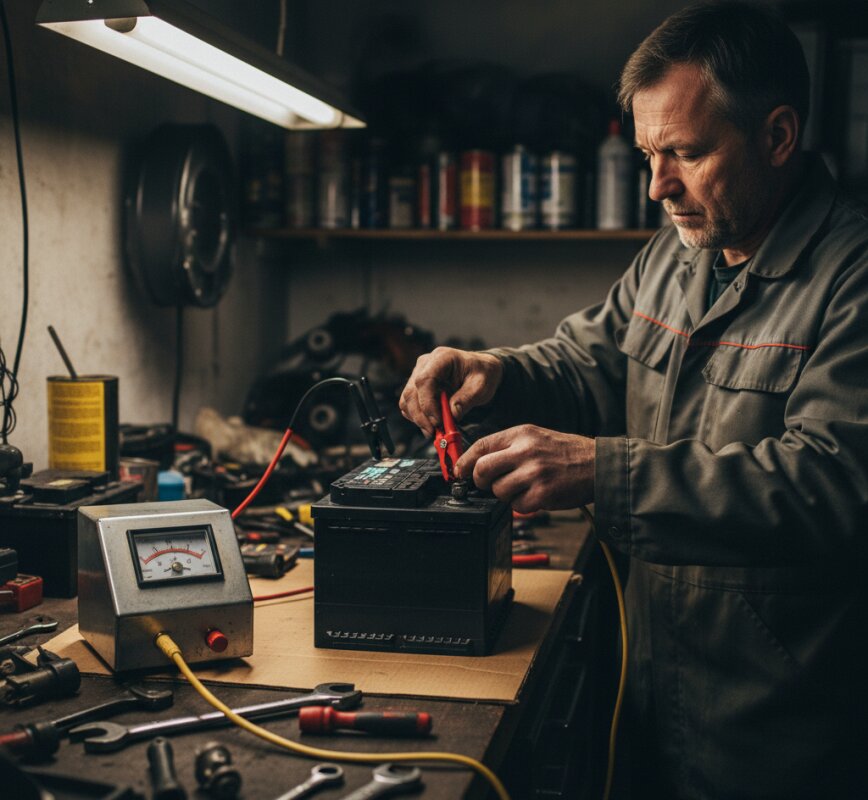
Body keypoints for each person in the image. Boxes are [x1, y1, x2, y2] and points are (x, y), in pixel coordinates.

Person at [399, 2, 868, 797]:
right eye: (650, 154)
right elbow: (593, 358)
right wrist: (499, 372)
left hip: (777, 727)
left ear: (778, 136)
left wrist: (604, 473)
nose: (658, 187)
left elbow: (832, 484)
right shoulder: (681, 254)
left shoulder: (850, 278)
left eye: (684, 153)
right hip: (645, 687)